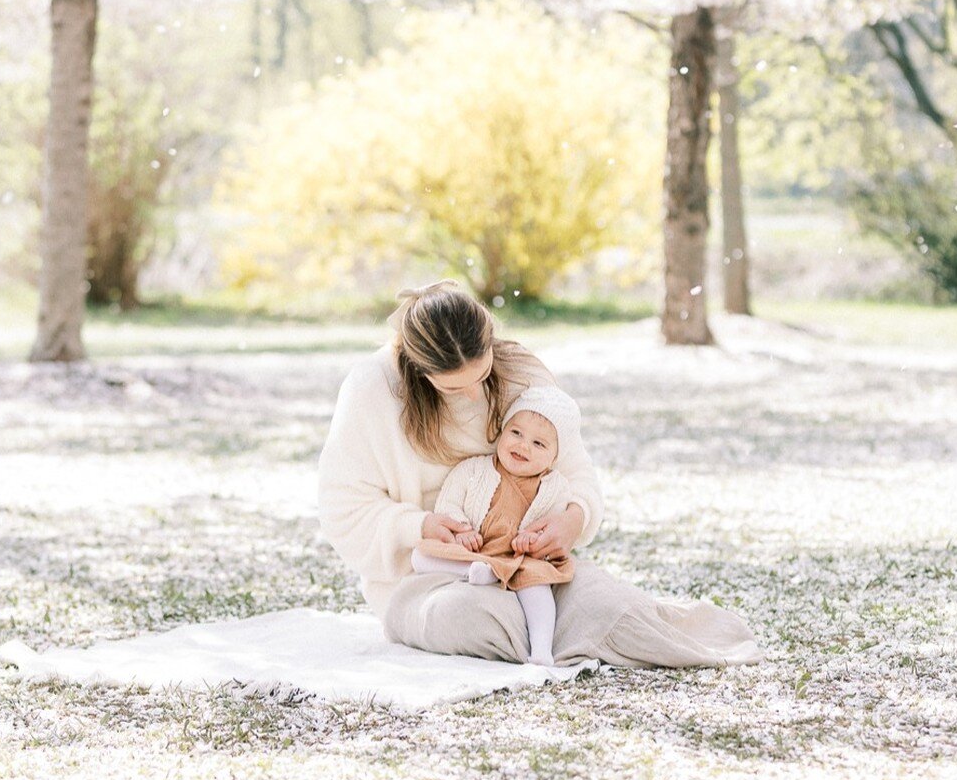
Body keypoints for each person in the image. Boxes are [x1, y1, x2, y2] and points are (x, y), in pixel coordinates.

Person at [317, 280, 762, 669]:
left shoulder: (522, 375)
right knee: (468, 616)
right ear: (418, 371)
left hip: (525, 563)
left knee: (605, 601)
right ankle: (553, 635)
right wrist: (422, 526)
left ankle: (574, 626)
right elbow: (344, 509)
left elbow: (576, 472)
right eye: (453, 387)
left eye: (482, 373)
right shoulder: (373, 391)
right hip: (429, 580)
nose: (473, 395)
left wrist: (571, 520)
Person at [410, 384, 582, 666]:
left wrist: (530, 540)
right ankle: (477, 572)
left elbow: (549, 526)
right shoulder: (473, 469)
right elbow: (448, 502)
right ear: (502, 432)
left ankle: (541, 650)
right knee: (420, 554)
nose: (523, 445)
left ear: (553, 458)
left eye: (539, 444)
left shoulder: (555, 488)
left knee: (538, 587)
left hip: (518, 559)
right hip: (475, 552)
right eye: (516, 433)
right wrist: (463, 530)